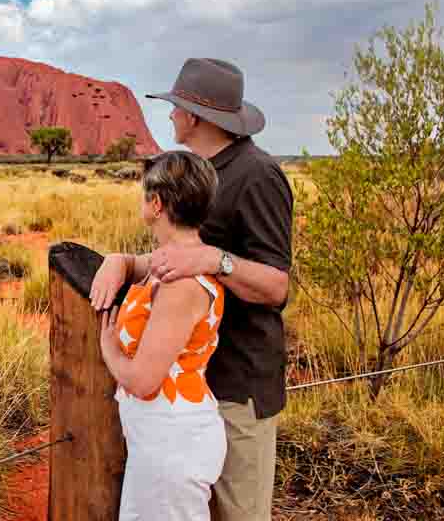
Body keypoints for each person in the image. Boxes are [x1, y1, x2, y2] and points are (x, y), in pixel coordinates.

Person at [91, 58, 293, 521]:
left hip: (237, 385)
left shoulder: (257, 174)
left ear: (195, 116)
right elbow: (176, 257)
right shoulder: (203, 172)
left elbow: (278, 285)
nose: (170, 116)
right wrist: (120, 262)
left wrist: (214, 261)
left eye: (176, 106)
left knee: (237, 514)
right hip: (192, 389)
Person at [98, 150, 227, 521]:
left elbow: (143, 380)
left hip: (173, 441)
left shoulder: (181, 282)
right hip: (162, 439)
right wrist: (116, 261)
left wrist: (109, 349)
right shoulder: (172, 260)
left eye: (144, 195)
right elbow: (138, 265)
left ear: (156, 204)